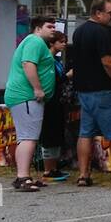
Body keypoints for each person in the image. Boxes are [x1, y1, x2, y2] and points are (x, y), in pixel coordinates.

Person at [71, 0, 111, 185]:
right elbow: (107, 61)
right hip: (105, 90)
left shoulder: (79, 32)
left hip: (84, 91)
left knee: (85, 133)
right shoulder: (102, 32)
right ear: (98, 13)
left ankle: (83, 174)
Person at [4, 15, 57, 192]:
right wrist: (38, 88)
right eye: (49, 26)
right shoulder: (35, 41)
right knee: (29, 138)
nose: (53, 30)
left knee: (25, 137)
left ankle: (22, 175)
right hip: (27, 96)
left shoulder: (34, 42)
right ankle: (23, 177)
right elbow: (28, 64)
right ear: (38, 28)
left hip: (22, 97)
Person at [39, 30, 70, 182]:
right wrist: (67, 76)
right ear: (52, 43)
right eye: (61, 41)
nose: (64, 44)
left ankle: (53, 167)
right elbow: (53, 79)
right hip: (50, 101)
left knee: (57, 134)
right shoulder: (48, 60)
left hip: (59, 101)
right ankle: (47, 168)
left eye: (65, 41)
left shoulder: (57, 60)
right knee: (49, 134)